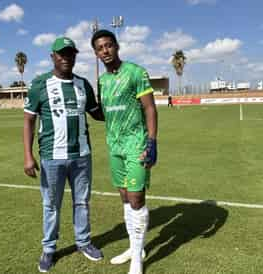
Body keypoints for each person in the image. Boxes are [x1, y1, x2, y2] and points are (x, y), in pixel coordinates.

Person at [23, 37, 104, 273]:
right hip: (51, 157)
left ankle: (83, 242)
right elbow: (28, 121)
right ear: (53, 57)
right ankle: (49, 249)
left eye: (70, 54)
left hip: (82, 156)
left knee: (82, 202)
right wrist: (28, 156)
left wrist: (122, 107)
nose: (66, 58)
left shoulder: (83, 84)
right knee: (51, 205)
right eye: (62, 54)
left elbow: (97, 113)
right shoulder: (40, 84)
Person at [91, 29, 158, 274]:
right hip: (114, 146)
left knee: (136, 198)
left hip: (136, 145)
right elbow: (104, 112)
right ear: (96, 53)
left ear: (117, 46)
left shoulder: (136, 72)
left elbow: (150, 108)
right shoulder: (102, 80)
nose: (105, 51)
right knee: (124, 198)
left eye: (109, 45)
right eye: (100, 48)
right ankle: (134, 247)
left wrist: (152, 142)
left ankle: (138, 262)